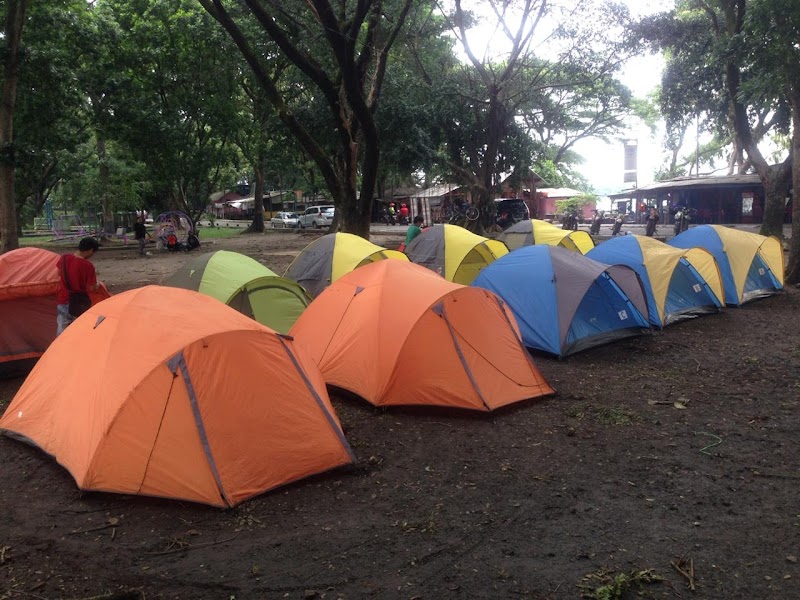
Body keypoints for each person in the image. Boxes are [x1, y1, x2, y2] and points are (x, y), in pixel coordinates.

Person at [56, 237, 102, 336]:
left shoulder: (64, 258)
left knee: (62, 330)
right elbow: (92, 288)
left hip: (63, 299)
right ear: (90, 250)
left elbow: (58, 273)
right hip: (79, 303)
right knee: (79, 330)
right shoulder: (88, 266)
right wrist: (98, 283)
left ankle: (59, 349)